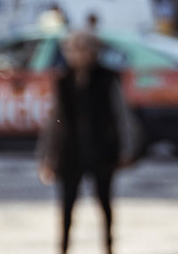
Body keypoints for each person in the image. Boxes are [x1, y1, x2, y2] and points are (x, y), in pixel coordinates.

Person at [36, 30, 138, 254]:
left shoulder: (107, 77)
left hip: (101, 149)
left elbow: (121, 114)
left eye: (83, 49)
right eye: (73, 49)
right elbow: (54, 120)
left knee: (104, 202)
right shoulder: (63, 80)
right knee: (67, 205)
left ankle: (108, 246)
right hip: (70, 151)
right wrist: (46, 155)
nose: (78, 54)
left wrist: (127, 148)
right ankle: (63, 247)